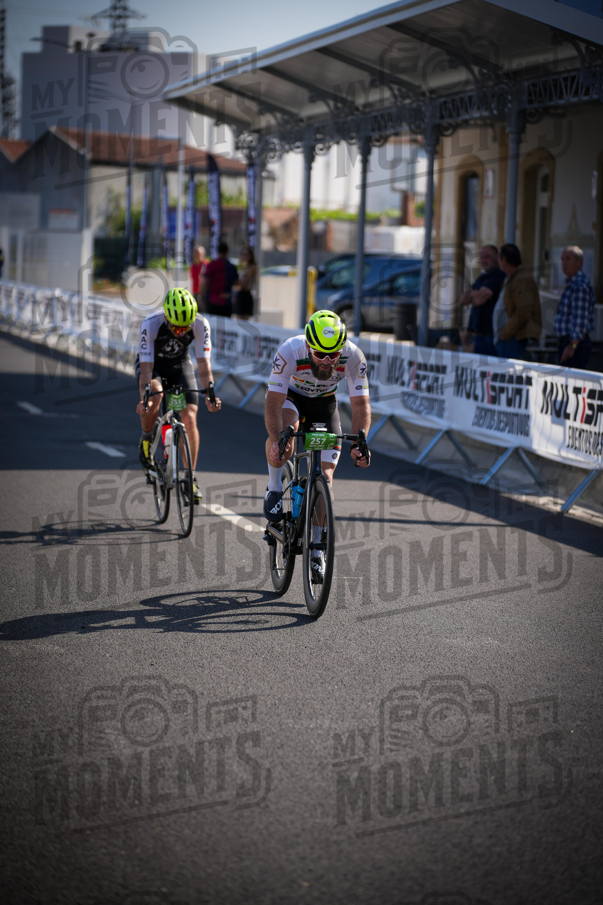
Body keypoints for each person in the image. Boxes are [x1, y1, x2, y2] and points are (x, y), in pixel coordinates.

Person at [263, 310, 371, 576]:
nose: (326, 361)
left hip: (325, 405)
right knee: (286, 439)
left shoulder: (354, 356)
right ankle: (274, 486)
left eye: (333, 355)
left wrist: (360, 442)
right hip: (292, 398)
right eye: (320, 354)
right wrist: (278, 439)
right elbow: (273, 402)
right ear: (308, 346)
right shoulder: (290, 350)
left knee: (325, 476)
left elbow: (360, 405)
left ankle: (318, 548)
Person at [135, 288, 222, 503]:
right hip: (152, 366)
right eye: (176, 327)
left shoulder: (201, 324)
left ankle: (190, 478)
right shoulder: (150, 324)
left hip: (179, 366)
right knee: (154, 396)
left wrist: (210, 392)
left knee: (190, 417)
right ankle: (147, 439)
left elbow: (203, 363)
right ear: (166, 316)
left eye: (186, 327)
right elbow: (145, 368)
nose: (182, 332)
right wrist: (143, 400)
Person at [492, 244, 542, 360]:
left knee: (511, 376)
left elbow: (523, 312)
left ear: (504, 259)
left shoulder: (522, 279)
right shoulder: (511, 277)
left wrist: (505, 333)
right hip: (507, 338)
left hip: (514, 339)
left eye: (498, 258)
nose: (498, 261)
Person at [458, 244, 505, 356]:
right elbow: (462, 299)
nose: (483, 260)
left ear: (497, 257)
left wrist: (472, 297)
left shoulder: (498, 275)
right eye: (481, 257)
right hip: (477, 332)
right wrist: (475, 295)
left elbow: (480, 300)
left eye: (487, 257)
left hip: (490, 332)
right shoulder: (482, 277)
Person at [554, 245, 596, 370]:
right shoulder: (572, 283)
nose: (564, 263)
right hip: (568, 342)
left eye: (568, 258)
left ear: (579, 262)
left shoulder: (579, 286)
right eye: (562, 259)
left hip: (575, 345)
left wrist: (572, 346)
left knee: (572, 385)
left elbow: (580, 319)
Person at [200, 241, 238, 317]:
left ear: (217, 251)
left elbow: (205, 282)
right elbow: (236, 283)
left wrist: (201, 297)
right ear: (227, 252)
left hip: (212, 301)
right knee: (226, 327)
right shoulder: (231, 267)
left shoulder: (211, 265)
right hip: (226, 302)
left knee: (212, 326)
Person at [233, 245, 257, 320]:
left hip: (245, 295)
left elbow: (243, 283)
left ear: (250, 256)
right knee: (238, 319)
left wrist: (234, 282)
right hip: (240, 294)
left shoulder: (252, 267)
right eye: (242, 254)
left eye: (245, 255)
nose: (243, 256)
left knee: (243, 322)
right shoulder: (244, 267)